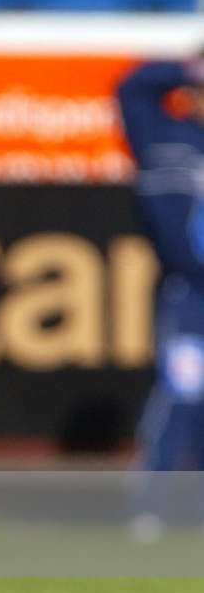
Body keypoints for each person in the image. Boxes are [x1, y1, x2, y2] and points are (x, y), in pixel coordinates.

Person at [117, 55, 204, 534]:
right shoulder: (163, 135)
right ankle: (152, 505)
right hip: (190, 296)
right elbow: (130, 88)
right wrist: (190, 68)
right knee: (182, 394)